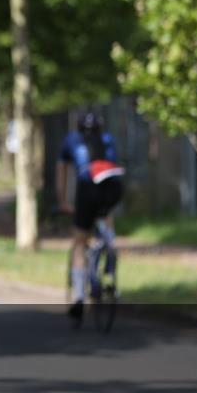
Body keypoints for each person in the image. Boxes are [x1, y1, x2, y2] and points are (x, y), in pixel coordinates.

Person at [56, 110, 124, 319]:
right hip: (112, 186)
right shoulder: (108, 139)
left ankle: (78, 295)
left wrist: (63, 202)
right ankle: (109, 262)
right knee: (106, 222)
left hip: (87, 190)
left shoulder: (71, 140)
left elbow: (62, 172)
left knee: (80, 240)